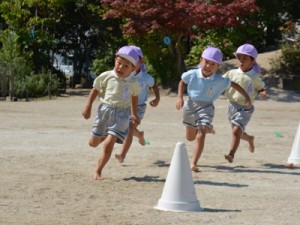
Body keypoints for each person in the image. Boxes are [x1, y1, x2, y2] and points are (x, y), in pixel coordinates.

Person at [176, 46, 251, 172]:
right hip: (190, 106)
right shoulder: (192, 74)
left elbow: (235, 85)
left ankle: (193, 163)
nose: (208, 66)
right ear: (201, 60)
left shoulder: (219, 80)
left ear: (218, 66)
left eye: (213, 64)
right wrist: (179, 97)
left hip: (206, 107)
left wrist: (247, 98)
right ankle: (208, 128)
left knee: (201, 134)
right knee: (190, 137)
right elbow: (182, 82)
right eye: (206, 62)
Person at [82, 46, 141, 180]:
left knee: (109, 143)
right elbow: (95, 89)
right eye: (119, 63)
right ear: (115, 60)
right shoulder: (106, 76)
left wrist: (134, 113)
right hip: (105, 111)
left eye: (126, 66)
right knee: (93, 143)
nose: (121, 67)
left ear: (132, 69)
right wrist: (88, 106)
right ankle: (106, 136)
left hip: (121, 115)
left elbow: (134, 96)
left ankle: (98, 170)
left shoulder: (133, 82)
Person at [115, 46, 160, 163]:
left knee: (129, 128)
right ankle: (139, 134)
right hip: (124, 106)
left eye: (135, 59)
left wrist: (157, 98)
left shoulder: (146, 78)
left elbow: (154, 85)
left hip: (139, 107)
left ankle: (122, 155)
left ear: (141, 61)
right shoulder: (122, 74)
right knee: (125, 129)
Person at [223, 44, 267, 163]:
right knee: (238, 133)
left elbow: (260, 87)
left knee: (236, 131)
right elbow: (220, 82)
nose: (241, 61)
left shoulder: (254, 76)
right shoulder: (231, 73)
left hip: (246, 108)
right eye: (239, 58)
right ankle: (249, 139)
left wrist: (262, 92)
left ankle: (231, 154)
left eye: (245, 58)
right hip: (232, 106)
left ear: (252, 60)